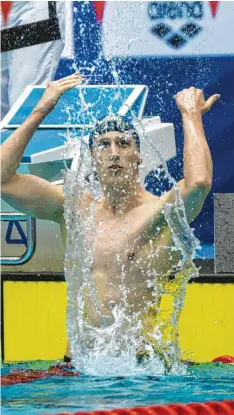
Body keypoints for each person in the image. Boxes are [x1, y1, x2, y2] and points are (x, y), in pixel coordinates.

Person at [1, 73, 220, 366]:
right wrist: (41, 109)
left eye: (124, 143)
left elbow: (199, 184)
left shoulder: (159, 214)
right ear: (92, 158)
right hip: (78, 366)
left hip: (142, 368)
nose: (114, 153)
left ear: (138, 156)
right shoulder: (74, 211)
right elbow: (3, 180)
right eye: (104, 145)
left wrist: (191, 115)